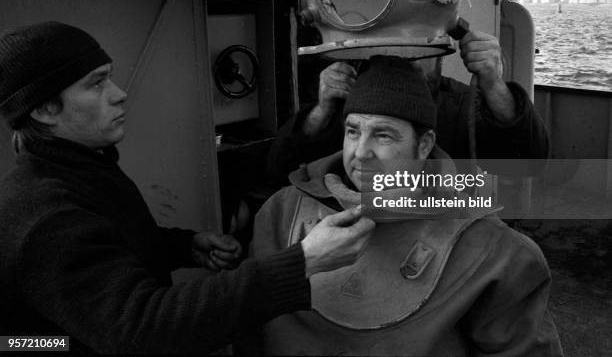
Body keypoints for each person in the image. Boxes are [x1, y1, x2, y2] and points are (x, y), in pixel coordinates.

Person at [0, 21, 375, 355]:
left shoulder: (80, 166)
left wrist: (181, 246)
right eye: (96, 83)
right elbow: (142, 330)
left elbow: (100, 248)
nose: (119, 93)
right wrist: (303, 262)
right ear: (45, 110)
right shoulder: (47, 217)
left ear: (424, 145)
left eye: (109, 77)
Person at [252, 57, 562, 356]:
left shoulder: (495, 252)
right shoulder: (281, 213)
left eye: (383, 136)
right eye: (352, 131)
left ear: (424, 146)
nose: (361, 153)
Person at [267, 30, 549, 188]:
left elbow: (528, 162)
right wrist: (322, 110)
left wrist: (494, 85)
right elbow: (281, 168)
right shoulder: (346, 105)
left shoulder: (463, 105)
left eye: (418, 51)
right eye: (394, 49)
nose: (405, 60)